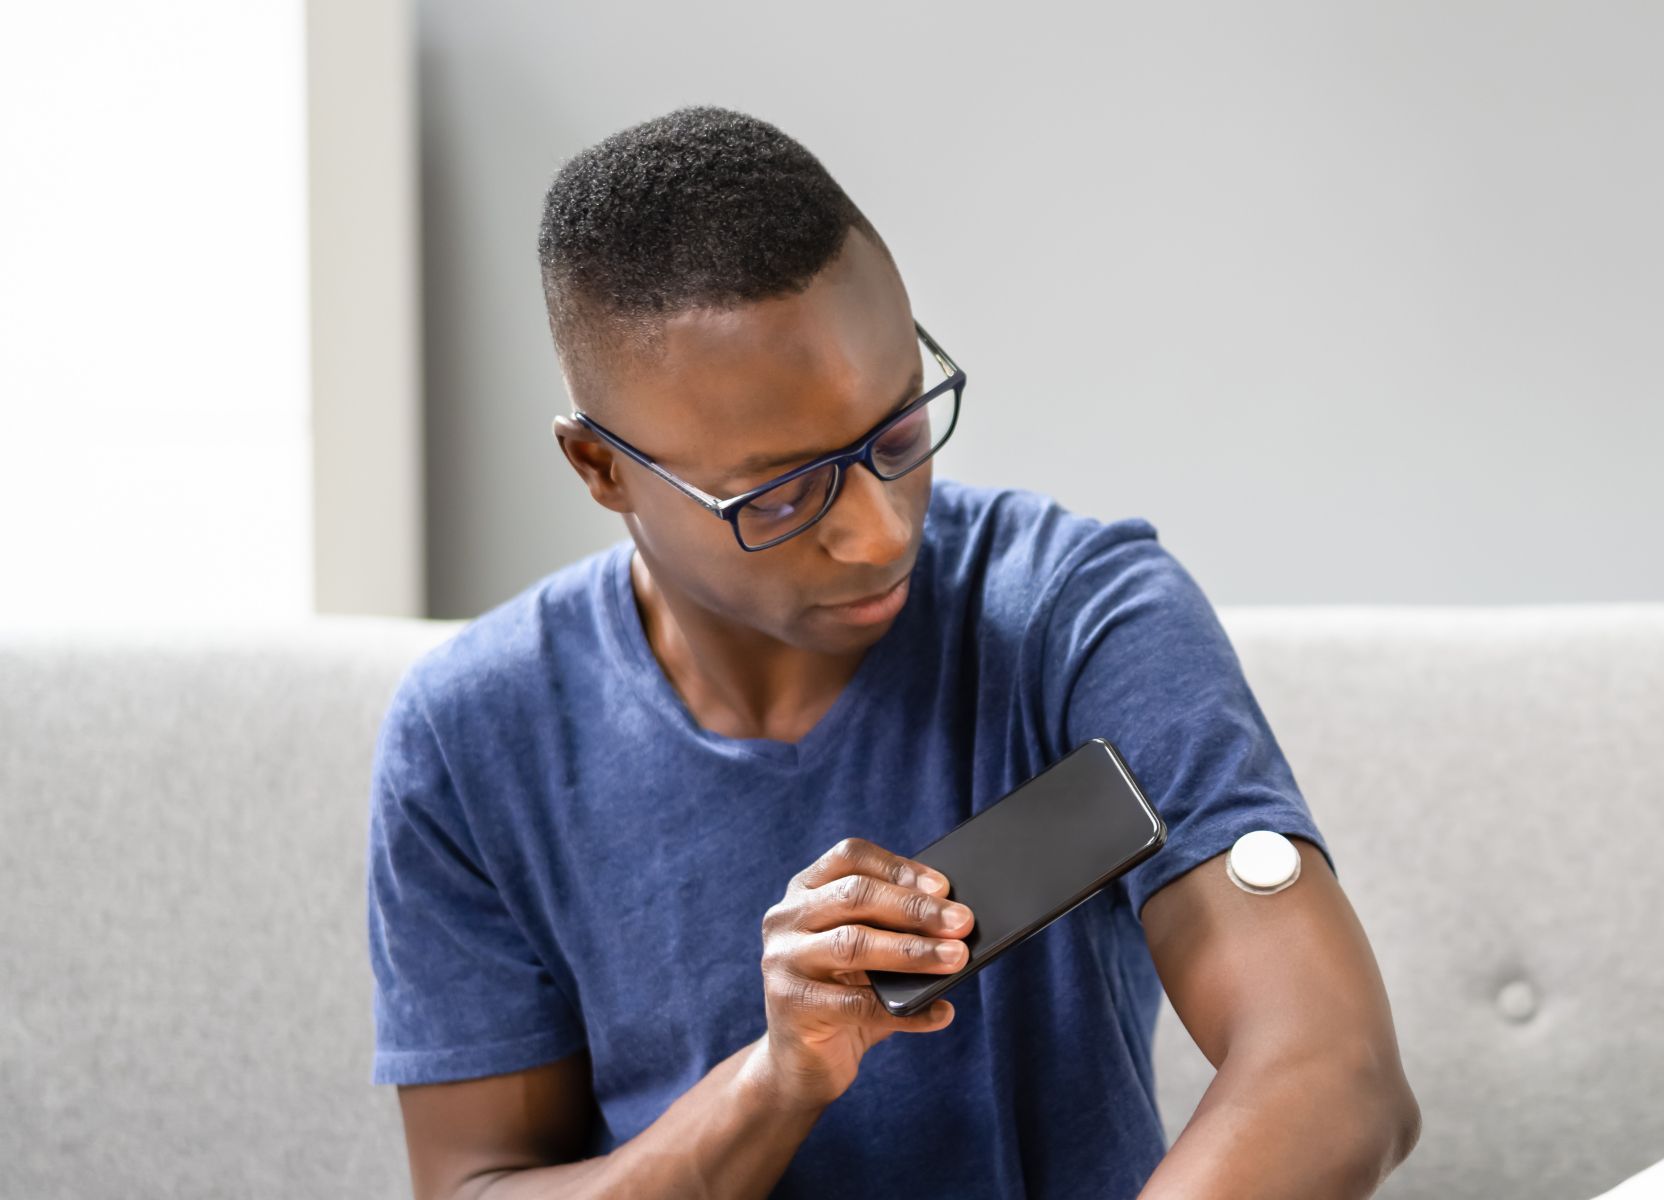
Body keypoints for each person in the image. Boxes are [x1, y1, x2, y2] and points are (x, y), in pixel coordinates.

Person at [365, 104, 1420, 1200]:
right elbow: (473, 1187)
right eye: (783, 493)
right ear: (601, 468)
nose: (881, 532)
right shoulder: (470, 735)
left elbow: (1333, 1072)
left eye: (900, 433)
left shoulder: (1077, 615)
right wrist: (773, 1086)